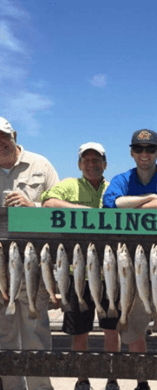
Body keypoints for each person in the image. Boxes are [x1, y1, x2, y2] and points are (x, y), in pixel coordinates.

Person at [103, 129, 157, 390]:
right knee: (133, 327)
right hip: (131, 266)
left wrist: (131, 204)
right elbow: (109, 202)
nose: (144, 154)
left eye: (150, 149)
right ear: (132, 153)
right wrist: (150, 198)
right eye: (139, 149)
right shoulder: (122, 178)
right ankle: (142, 382)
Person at [41, 142, 121, 390]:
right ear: (79, 164)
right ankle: (82, 379)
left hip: (110, 272)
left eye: (96, 160)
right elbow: (48, 203)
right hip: (76, 274)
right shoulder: (68, 185)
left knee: (112, 329)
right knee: (79, 331)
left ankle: (112, 378)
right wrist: (80, 209)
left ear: (105, 164)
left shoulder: (115, 188)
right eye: (86, 160)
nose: (91, 164)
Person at [0, 117, 59, 390]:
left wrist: (32, 205)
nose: (0, 142)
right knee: (4, 336)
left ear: (13, 135)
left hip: (35, 263)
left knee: (37, 334)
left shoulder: (41, 164)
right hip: (0, 269)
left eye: (3, 136)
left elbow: (58, 211)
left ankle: (40, 388)